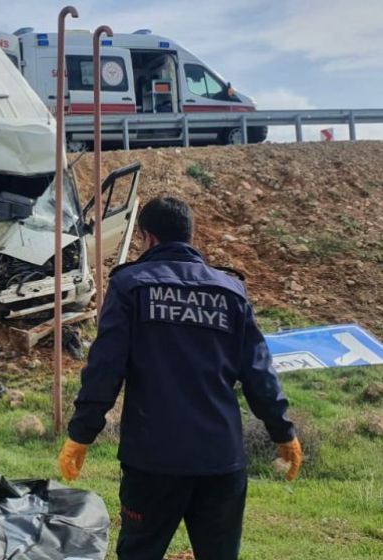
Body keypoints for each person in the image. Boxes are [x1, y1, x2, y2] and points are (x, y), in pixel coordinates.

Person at [57, 196, 303, 560]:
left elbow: (106, 369)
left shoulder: (131, 286)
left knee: (140, 552)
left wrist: (81, 434)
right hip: (221, 461)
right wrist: (283, 431)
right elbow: (259, 372)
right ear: (190, 235)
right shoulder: (230, 291)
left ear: (148, 238)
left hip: (153, 462)